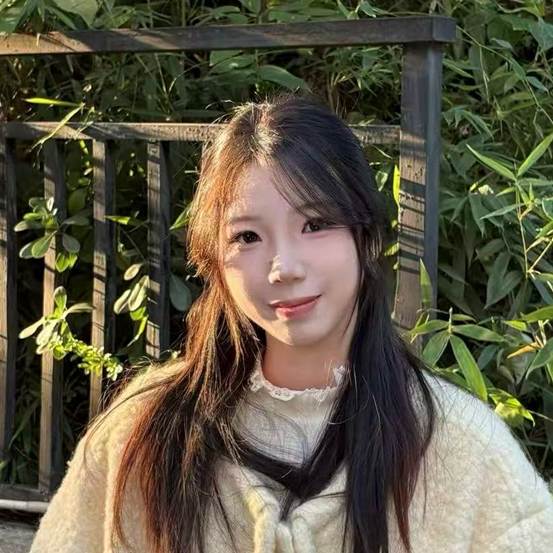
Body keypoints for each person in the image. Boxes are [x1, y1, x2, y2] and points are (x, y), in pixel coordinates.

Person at [29, 91, 553, 553]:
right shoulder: (141, 432)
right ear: (213, 260)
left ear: (366, 237)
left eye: (316, 224)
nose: (284, 267)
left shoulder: (461, 446)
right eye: (247, 237)